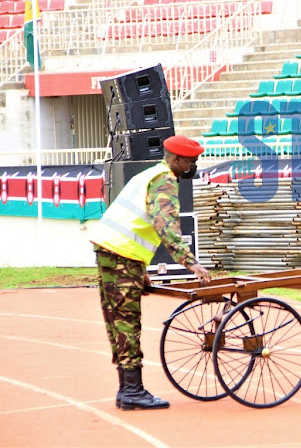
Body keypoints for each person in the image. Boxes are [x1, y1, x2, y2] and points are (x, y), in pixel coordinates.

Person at [89, 135, 211, 410]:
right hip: (121, 256)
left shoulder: (149, 174)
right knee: (126, 321)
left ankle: (126, 390)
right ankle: (132, 391)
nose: (194, 165)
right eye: (191, 160)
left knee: (117, 319)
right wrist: (190, 262)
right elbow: (165, 223)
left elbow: (133, 223)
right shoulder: (164, 180)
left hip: (114, 252)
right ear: (177, 159)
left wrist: (140, 269)